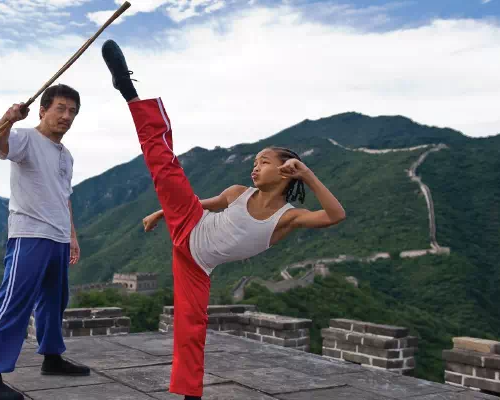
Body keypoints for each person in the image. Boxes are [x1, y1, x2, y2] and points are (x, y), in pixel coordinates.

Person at [101, 39, 347, 400]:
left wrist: (308, 175)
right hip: (190, 222)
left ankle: (191, 395)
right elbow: (198, 204)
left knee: (192, 328)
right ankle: (129, 91)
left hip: (198, 265)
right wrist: (161, 212)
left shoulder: (288, 217)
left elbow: (336, 215)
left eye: (264, 162)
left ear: (286, 171)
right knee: (164, 165)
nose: (255, 166)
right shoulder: (237, 192)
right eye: (255, 161)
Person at [0, 84, 90, 400]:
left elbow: (64, 197)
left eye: (72, 111)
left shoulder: (66, 155)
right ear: (42, 110)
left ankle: (52, 358)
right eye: (60, 108)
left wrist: (72, 236)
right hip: (29, 233)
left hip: (58, 236)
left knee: (55, 302)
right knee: (14, 301)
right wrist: (9, 118)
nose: (66, 116)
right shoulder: (25, 138)